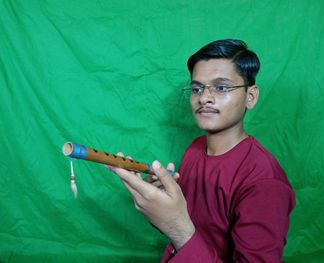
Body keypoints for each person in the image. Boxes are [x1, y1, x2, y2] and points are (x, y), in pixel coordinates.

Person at [106, 39, 295, 262]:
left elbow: (183, 231)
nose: (204, 98)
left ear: (250, 97)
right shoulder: (195, 149)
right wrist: (158, 203)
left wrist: (178, 227)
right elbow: (192, 227)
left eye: (221, 87)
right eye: (197, 88)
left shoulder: (264, 181)